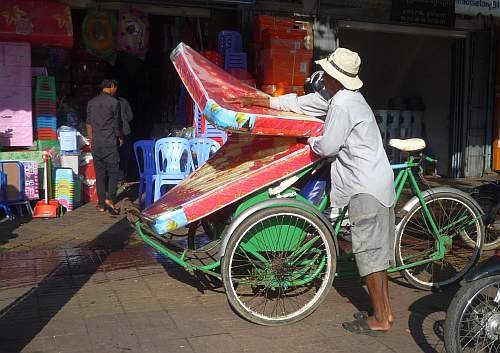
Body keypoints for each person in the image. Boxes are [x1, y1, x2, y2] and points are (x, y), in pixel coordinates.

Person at [228, 48, 395, 336]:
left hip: (367, 187)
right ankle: (385, 312)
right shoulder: (340, 97)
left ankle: (380, 318)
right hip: (369, 182)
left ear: (333, 76)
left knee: (369, 257)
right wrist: (268, 102)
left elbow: (328, 146)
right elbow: (306, 103)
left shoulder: (343, 103)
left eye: (327, 72)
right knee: (374, 255)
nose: (324, 76)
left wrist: (311, 140)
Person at [86, 79, 124, 216]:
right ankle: (110, 199)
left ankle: (101, 204)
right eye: (115, 87)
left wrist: (91, 139)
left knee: (100, 175)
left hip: (97, 144)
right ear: (111, 86)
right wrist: (120, 137)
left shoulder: (91, 102)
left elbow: (88, 123)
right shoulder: (114, 103)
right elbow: (117, 124)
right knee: (113, 174)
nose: (116, 90)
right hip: (109, 144)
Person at [117, 95, 134, 185]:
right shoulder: (123, 101)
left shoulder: (101, 101)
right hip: (125, 131)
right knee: (124, 155)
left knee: (115, 156)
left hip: (112, 133)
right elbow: (130, 116)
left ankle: (116, 178)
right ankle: (121, 178)